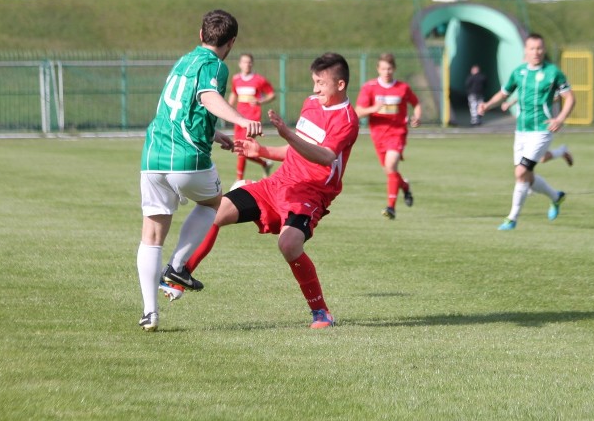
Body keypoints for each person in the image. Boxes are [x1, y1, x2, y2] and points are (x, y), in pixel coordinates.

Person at [157, 53, 359, 330]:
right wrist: (261, 151)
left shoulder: (347, 119)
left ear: (340, 84)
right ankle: (181, 273)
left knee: (289, 245)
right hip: (278, 183)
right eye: (314, 82)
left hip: (310, 194)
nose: (314, 89)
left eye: (321, 83)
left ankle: (321, 312)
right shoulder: (311, 104)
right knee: (215, 211)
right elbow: (296, 151)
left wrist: (288, 134)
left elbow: (324, 156)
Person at [136, 9, 263, 332]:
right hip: (186, 159)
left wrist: (215, 134)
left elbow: (181, 107)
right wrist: (240, 120)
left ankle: (150, 312)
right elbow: (207, 97)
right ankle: (178, 267)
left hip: (153, 156)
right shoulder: (215, 65)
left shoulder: (183, 61)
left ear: (200, 34)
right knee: (213, 203)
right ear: (232, 42)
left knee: (152, 234)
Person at [478, 33, 575, 231]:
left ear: (544, 50)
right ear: (526, 51)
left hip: (542, 130)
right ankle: (556, 197)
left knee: (521, 171)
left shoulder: (553, 72)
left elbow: (570, 98)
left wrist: (560, 119)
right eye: (532, 48)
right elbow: (504, 93)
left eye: (539, 48)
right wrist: (487, 105)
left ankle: (512, 218)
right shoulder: (519, 72)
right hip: (521, 131)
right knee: (526, 177)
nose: (536, 52)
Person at [355, 53, 421, 220]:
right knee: (389, 171)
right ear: (378, 69)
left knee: (390, 166)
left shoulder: (402, 88)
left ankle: (390, 208)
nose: (386, 72)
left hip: (397, 133)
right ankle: (405, 186)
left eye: (389, 68)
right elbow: (358, 111)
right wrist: (373, 108)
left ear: (394, 69)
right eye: (383, 68)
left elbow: (416, 103)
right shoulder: (369, 87)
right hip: (378, 135)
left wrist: (417, 117)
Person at [228, 53, 276, 180]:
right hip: (239, 117)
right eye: (244, 62)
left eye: (249, 62)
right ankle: (265, 164)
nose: (247, 64)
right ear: (240, 64)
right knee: (239, 149)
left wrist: (260, 101)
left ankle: (238, 181)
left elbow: (272, 94)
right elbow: (233, 94)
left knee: (243, 148)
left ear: (252, 64)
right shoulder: (236, 79)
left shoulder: (259, 79)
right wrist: (227, 109)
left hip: (252, 118)